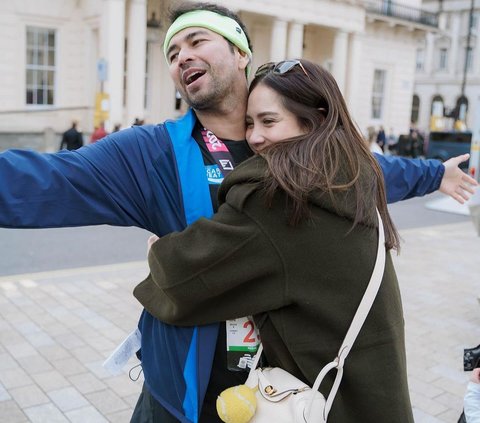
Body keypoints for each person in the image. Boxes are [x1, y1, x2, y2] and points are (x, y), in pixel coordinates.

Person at [0, 2, 476, 422]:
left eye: (196, 40)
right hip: (185, 393)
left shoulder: (300, 143)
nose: (181, 56)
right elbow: (48, 180)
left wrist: (435, 173)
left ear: (241, 52)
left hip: (280, 392)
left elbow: (371, 171)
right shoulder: (152, 153)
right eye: (171, 52)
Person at [137, 59, 413, 422]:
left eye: (269, 121)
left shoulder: (283, 196)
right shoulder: (350, 175)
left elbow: (181, 278)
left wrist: (159, 251)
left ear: (314, 120)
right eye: (249, 123)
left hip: (326, 405)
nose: (253, 137)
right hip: (372, 396)